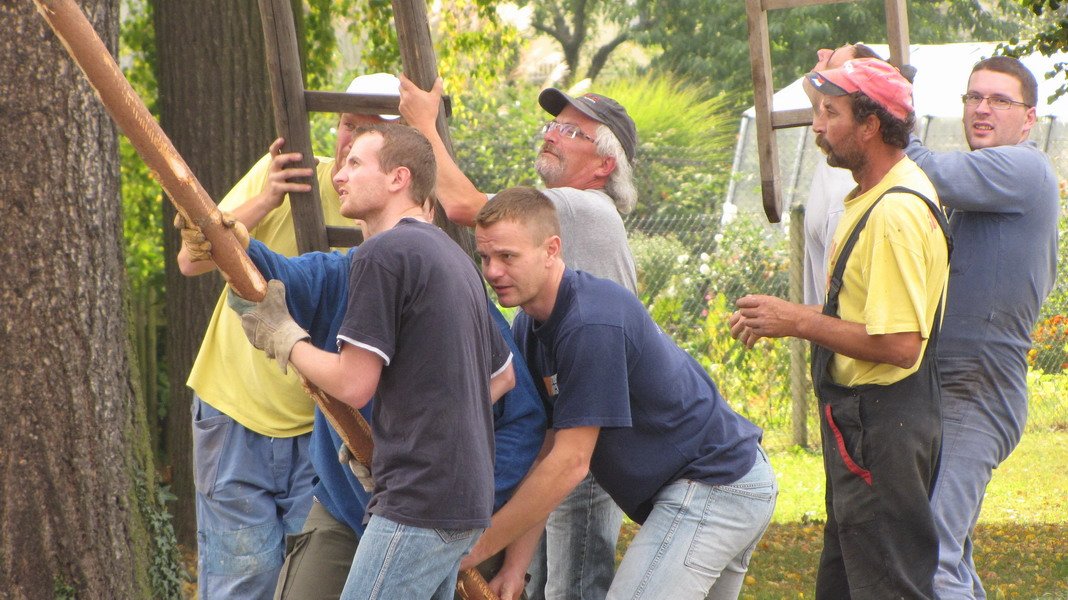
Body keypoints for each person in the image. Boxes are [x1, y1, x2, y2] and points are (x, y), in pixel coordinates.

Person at [227, 123, 516, 599]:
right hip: (463, 501)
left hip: (419, 502)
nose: (340, 174)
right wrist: (409, 435)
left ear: (399, 178)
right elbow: (501, 378)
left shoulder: (384, 253)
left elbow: (354, 384)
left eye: (356, 163)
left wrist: (286, 339)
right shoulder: (453, 256)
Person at [463, 187, 776, 600]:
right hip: (718, 481)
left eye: (507, 256)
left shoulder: (590, 323)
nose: (493, 272)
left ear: (551, 249)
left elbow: (571, 462)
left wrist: (476, 550)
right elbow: (545, 452)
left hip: (717, 482)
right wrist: (516, 567)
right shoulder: (529, 327)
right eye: (485, 258)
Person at [400, 76, 639, 600]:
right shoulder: (561, 221)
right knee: (542, 582)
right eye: (554, 123)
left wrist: (423, 125)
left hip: (590, 439)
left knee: (575, 584)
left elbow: (464, 206)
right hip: (565, 429)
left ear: (604, 166)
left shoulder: (583, 208)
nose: (553, 134)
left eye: (574, 130)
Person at [729, 58, 950, 598]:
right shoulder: (874, 194)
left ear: (870, 125)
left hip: (883, 428)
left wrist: (798, 319)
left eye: (830, 113)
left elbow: (900, 345)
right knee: (847, 585)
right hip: (869, 428)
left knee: (887, 588)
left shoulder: (895, 212)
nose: (816, 126)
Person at [177, 73, 401, 599]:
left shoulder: (397, 226)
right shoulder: (289, 174)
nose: (351, 140)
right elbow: (191, 257)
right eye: (347, 124)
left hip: (321, 425)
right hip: (236, 410)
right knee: (240, 582)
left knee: (305, 581)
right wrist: (266, 199)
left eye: (370, 130)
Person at [904, 56, 1059, 600]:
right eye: (973, 98)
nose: (982, 109)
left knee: (933, 556)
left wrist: (884, 101)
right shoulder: (982, 192)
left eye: (999, 100)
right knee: (951, 554)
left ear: (1030, 119)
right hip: (953, 384)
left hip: (979, 387)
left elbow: (923, 166)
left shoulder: (1023, 168)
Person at [802, 44, 882, 304]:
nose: (820, 58)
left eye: (833, 67)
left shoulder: (847, 180)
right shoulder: (834, 160)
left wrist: (794, 321)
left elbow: (841, 309)